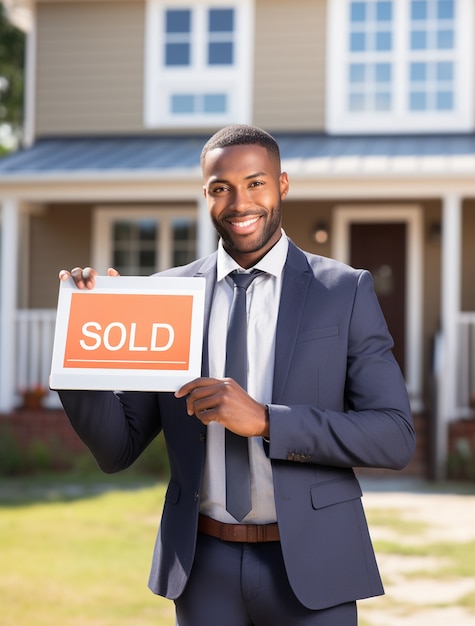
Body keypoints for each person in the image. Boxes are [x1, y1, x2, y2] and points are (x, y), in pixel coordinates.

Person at [57, 124, 415, 626]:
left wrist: (269, 421)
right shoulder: (168, 298)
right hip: (204, 568)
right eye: (221, 187)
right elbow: (118, 448)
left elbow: (394, 436)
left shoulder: (343, 291)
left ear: (282, 185)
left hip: (313, 567)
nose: (240, 202)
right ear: (206, 195)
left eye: (255, 183)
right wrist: (77, 350)